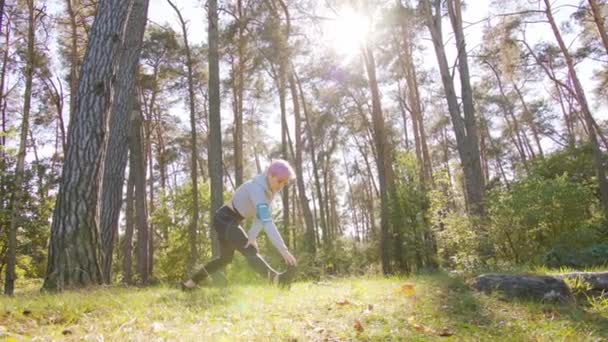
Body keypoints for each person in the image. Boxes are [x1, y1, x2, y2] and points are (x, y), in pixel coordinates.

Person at [181, 159, 297, 290]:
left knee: (225, 259)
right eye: (279, 181)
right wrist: (284, 250)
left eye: (284, 183)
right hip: (224, 219)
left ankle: (189, 285)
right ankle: (276, 280)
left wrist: (252, 236)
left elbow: (260, 218)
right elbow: (267, 222)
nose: (280, 186)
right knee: (250, 251)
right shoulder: (257, 189)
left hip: (230, 221)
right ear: (270, 175)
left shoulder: (269, 192)